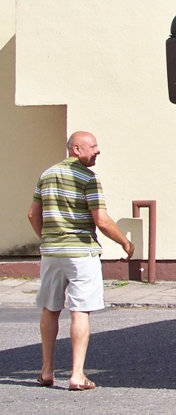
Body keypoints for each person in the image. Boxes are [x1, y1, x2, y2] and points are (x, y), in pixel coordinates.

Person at [27, 131, 135, 391]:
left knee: (50, 308)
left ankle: (46, 371)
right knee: (80, 309)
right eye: (93, 146)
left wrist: (48, 239)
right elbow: (101, 220)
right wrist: (125, 242)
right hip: (82, 254)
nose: (98, 150)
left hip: (52, 253)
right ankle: (76, 374)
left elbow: (32, 214)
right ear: (76, 148)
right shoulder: (88, 178)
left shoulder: (46, 175)